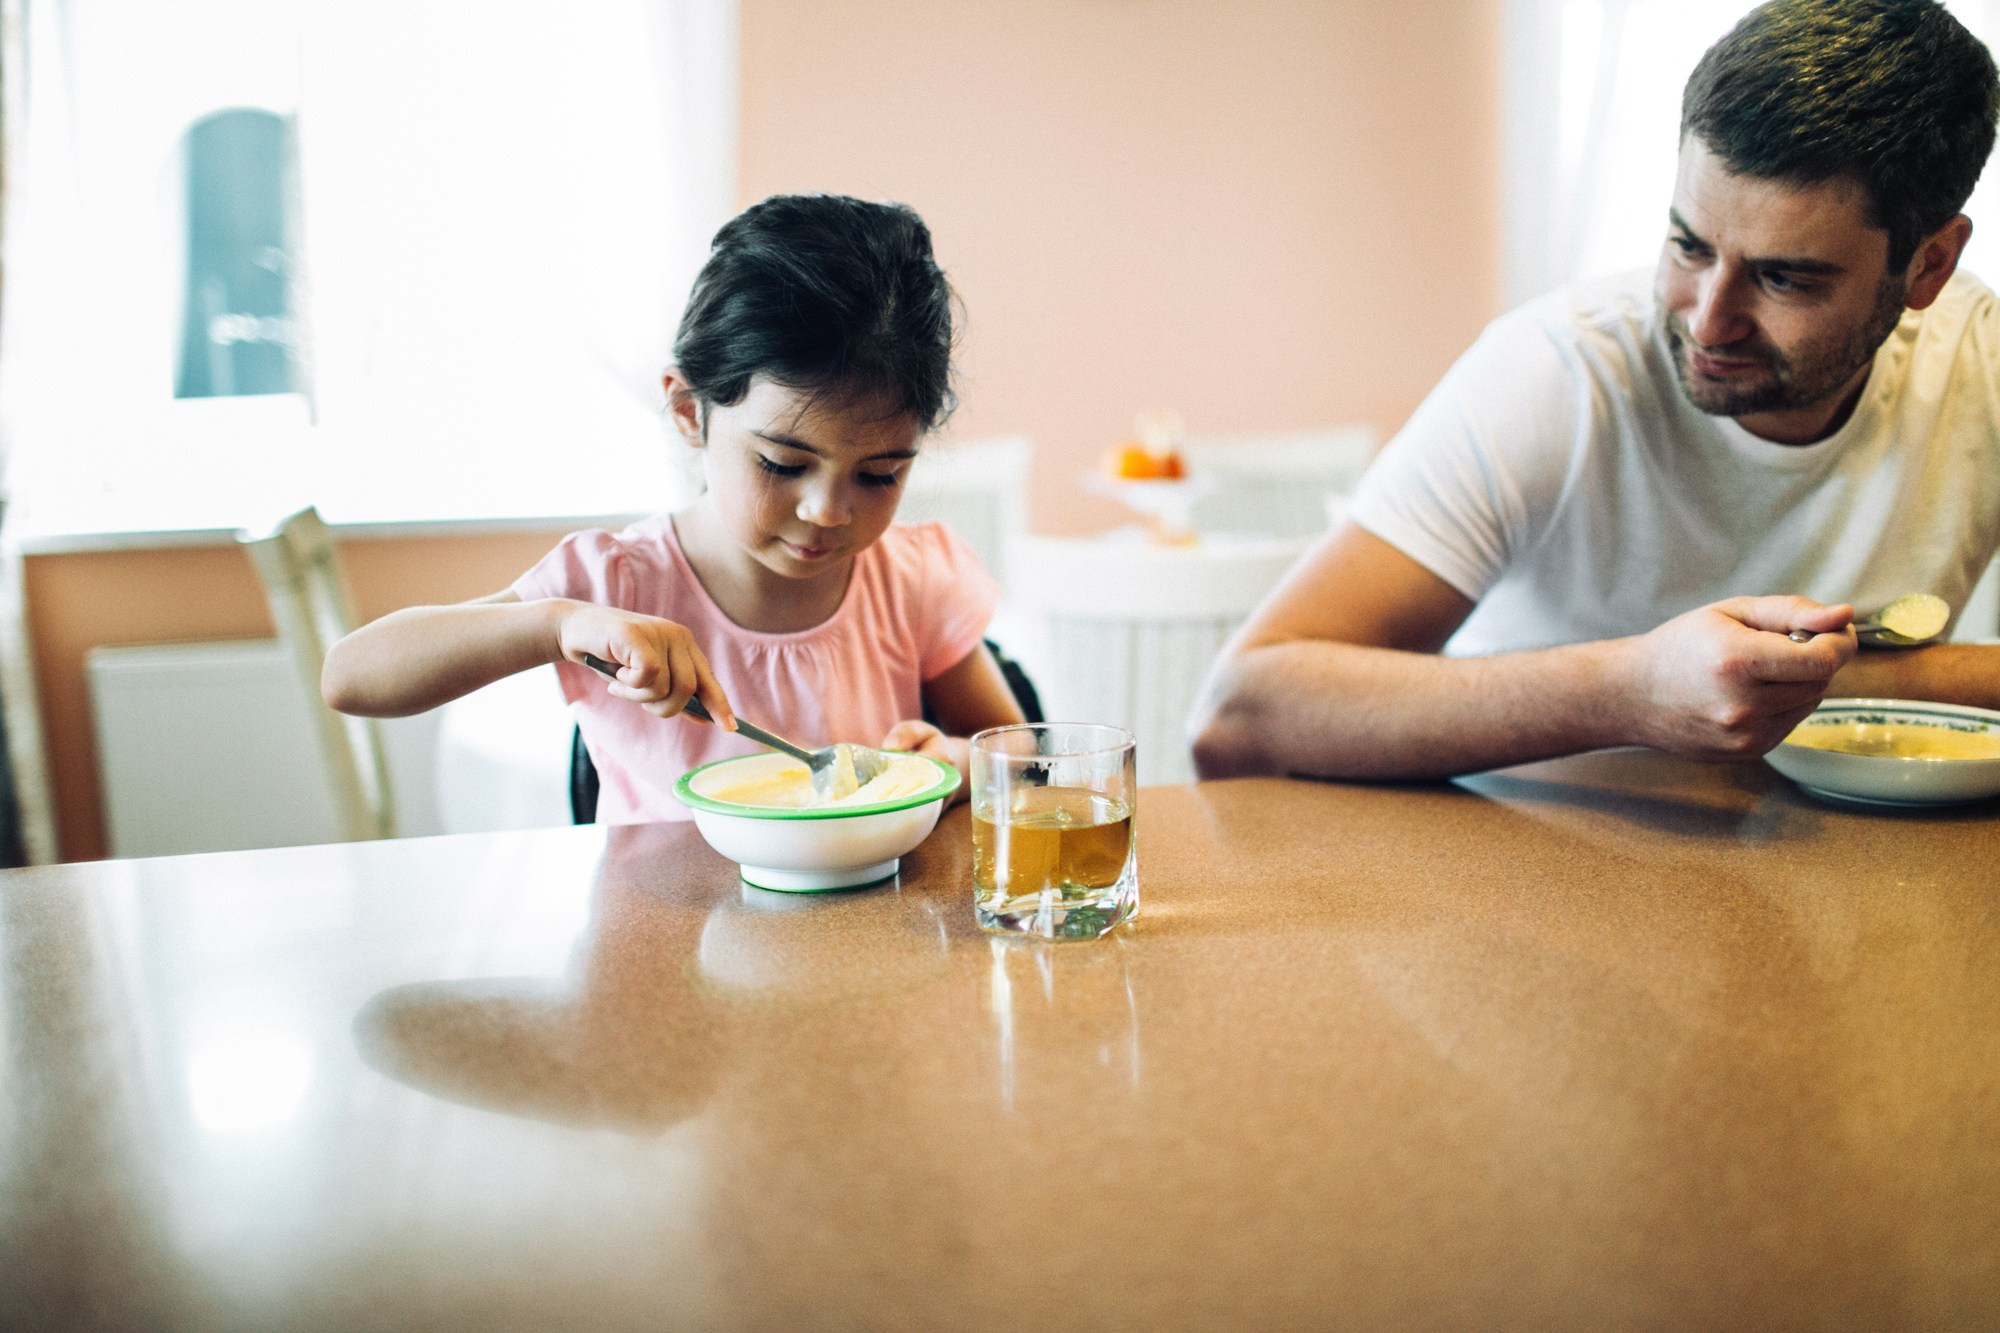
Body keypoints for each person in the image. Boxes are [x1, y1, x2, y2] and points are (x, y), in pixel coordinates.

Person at [1191, 0, 2000, 782]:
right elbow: (1239, 717)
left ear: (1928, 265)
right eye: (1688, 246)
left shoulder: (1981, 362)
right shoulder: (1559, 370)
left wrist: (1805, 685)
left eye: (1784, 278)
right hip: (1510, 873)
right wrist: (1631, 691)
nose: (1709, 321)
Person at [323, 195, 1026, 822]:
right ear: (691, 411)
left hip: (867, 946)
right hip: (661, 952)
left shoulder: (910, 576)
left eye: (878, 475)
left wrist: (957, 763)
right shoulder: (618, 586)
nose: (827, 509)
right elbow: (351, 676)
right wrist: (558, 624)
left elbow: (1018, 750)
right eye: (783, 463)